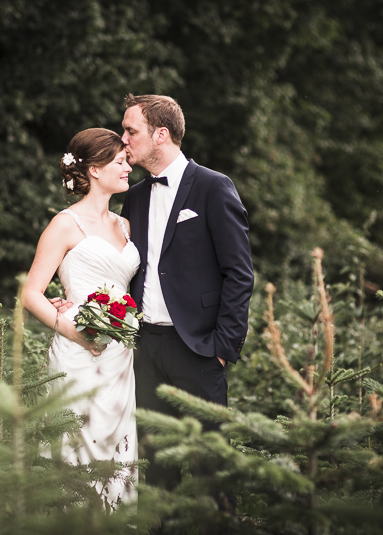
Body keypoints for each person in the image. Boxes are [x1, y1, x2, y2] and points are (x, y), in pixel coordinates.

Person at [118, 93, 254, 498]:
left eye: (131, 130)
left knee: (210, 468)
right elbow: (124, 268)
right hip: (146, 350)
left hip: (199, 349)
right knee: (157, 470)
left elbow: (239, 273)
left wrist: (223, 347)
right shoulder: (135, 196)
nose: (123, 139)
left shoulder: (214, 187)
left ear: (160, 134)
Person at [22, 127, 140, 509]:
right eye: (120, 161)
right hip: (78, 349)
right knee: (77, 443)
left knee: (117, 447)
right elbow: (31, 293)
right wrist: (73, 331)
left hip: (120, 355)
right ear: (94, 170)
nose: (128, 167)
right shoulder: (64, 224)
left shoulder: (124, 225)